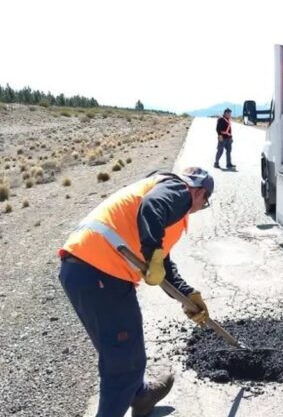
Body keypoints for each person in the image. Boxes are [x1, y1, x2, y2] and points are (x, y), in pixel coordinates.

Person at [58, 167, 214, 417]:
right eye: (203, 203)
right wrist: (153, 253)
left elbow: (162, 267)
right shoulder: (179, 191)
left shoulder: (159, 194)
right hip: (100, 274)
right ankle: (129, 396)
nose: (197, 208)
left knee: (121, 351)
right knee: (125, 365)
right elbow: (152, 209)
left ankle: (141, 397)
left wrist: (188, 296)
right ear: (200, 192)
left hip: (83, 272)